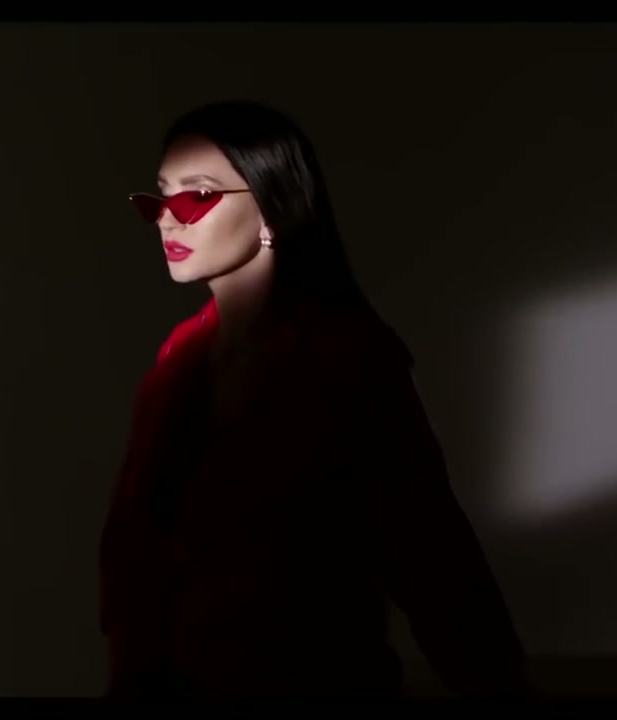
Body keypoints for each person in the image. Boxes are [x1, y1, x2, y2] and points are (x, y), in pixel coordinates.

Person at [98, 100, 527, 699]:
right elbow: (137, 553)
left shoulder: (345, 357)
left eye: (196, 196)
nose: (168, 221)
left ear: (273, 208)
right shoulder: (176, 358)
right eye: (158, 200)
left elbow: (429, 552)